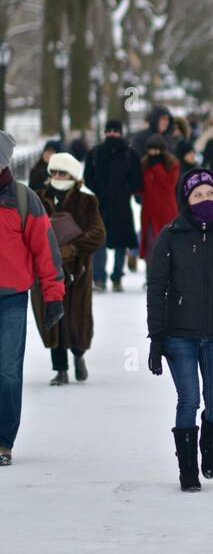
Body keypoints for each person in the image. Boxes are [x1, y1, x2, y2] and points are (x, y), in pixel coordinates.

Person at [147, 169, 213, 492]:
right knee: (189, 399)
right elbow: (157, 286)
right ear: (186, 200)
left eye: (209, 194)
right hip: (180, 334)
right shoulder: (171, 235)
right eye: (197, 195)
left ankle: (209, 444)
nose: (205, 200)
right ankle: (188, 470)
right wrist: (156, 337)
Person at [0, 131, 65, 463]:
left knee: (8, 371)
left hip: (11, 298)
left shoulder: (24, 200)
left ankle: (3, 441)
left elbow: (46, 251)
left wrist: (53, 296)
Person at [31, 152, 105, 385]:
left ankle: (78, 355)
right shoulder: (39, 198)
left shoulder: (86, 200)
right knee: (53, 318)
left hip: (78, 271)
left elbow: (98, 233)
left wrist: (72, 248)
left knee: (76, 319)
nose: (57, 176)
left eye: (62, 172)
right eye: (53, 171)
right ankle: (60, 369)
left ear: (73, 174)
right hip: (46, 270)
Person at [84, 120, 142, 291]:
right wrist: (99, 191)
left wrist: (125, 191)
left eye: (115, 131)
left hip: (122, 205)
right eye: (108, 131)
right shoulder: (95, 153)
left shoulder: (131, 154)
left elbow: (137, 179)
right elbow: (88, 176)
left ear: (120, 132)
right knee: (99, 242)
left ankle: (117, 277)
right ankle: (99, 278)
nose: (111, 134)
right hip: (101, 204)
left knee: (120, 243)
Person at [138, 135, 179, 267]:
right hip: (149, 212)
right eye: (151, 150)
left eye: (157, 150)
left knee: (167, 245)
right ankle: (151, 277)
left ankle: (167, 277)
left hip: (166, 211)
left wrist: (157, 167)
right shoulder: (144, 164)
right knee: (150, 244)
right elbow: (140, 187)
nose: (154, 153)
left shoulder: (173, 164)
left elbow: (169, 184)